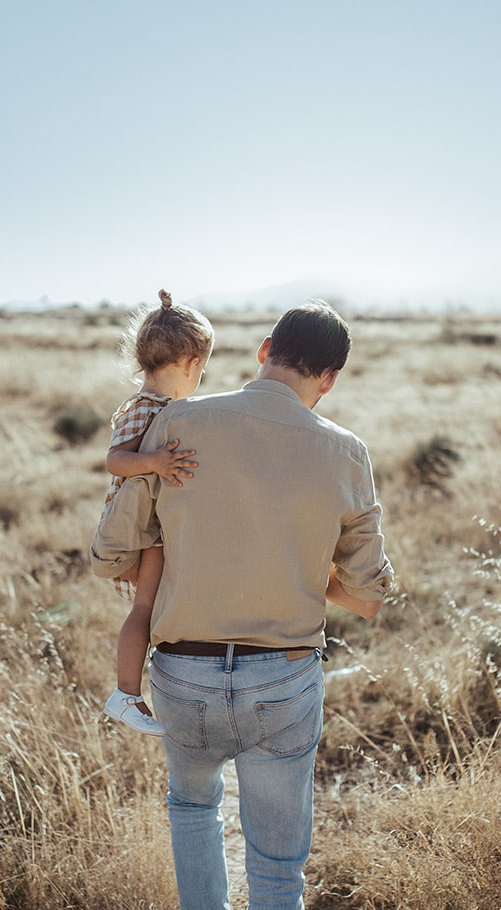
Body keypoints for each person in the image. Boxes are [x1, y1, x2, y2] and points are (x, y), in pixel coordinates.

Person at [91, 300, 395, 910]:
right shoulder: (346, 452)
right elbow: (367, 600)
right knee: (278, 865)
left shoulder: (178, 421)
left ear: (263, 351)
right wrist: (302, 569)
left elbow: (108, 554)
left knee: (194, 808)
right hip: (283, 678)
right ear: (330, 379)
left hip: (183, 671)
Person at [99, 289, 214, 736]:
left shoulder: (166, 408)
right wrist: (156, 462)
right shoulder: (143, 408)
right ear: (188, 364)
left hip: (158, 525)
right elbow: (115, 460)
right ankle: (126, 694)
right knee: (144, 607)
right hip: (143, 531)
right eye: (201, 369)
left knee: (159, 606)